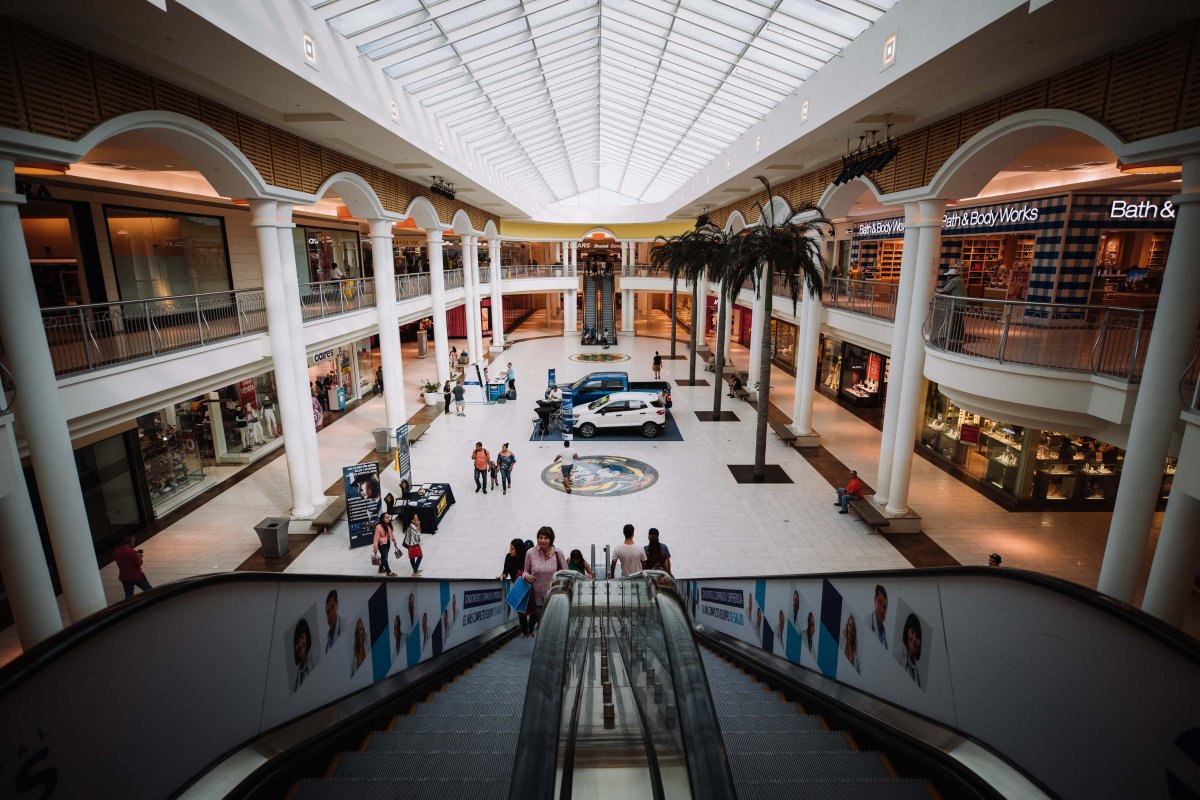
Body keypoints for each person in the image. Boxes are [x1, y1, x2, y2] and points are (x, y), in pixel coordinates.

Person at [523, 526, 567, 633]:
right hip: (536, 597)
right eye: (540, 537)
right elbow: (525, 571)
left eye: (546, 538)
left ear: (551, 539)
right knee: (542, 626)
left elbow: (566, 572)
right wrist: (526, 576)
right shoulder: (530, 553)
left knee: (551, 626)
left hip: (554, 596)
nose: (542, 540)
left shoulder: (558, 553)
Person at [939, 266, 966, 348]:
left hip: (956, 304)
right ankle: (958, 338)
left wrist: (937, 291)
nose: (947, 277)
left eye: (948, 275)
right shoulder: (960, 280)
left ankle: (954, 338)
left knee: (954, 321)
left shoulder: (954, 280)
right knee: (959, 321)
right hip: (960, 304)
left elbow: (945, 290)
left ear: (951, 275)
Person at [373, 511, 397, 577]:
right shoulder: (378, 527)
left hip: (388, 543)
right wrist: (375, 548)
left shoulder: (388, 525)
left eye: (388, 517)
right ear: (383, 519)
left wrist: (394, 541)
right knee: (385, 557)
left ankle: (381, 568)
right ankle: (388, 571)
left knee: (384, 556)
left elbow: (391, 534)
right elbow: (376, 538)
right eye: (386, 518)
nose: (388, 518)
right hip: (381, 545)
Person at [902, 613, 923, 687]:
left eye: (917, 637)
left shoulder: (918, 673)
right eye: (912, 632)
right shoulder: (898, 656)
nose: (914, 639)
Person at [292, 618, 313, 692]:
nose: (300, 644)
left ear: (307, 638)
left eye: (302, 637)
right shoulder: (297, 679)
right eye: (297, 642)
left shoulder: (314, 661)